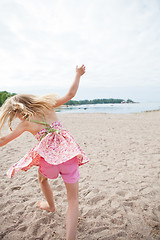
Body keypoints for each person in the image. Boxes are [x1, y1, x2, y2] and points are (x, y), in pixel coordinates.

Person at [0, 64, 89, 240]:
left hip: (49, 163)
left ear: (19, 111)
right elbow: (70, 94)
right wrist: (78, 75)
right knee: (73, 200)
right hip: (68, 157)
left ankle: (50, 205)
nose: (18, 117)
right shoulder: (48, 106)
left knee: (42, 178)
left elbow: (3, 140)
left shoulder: (25, 123)